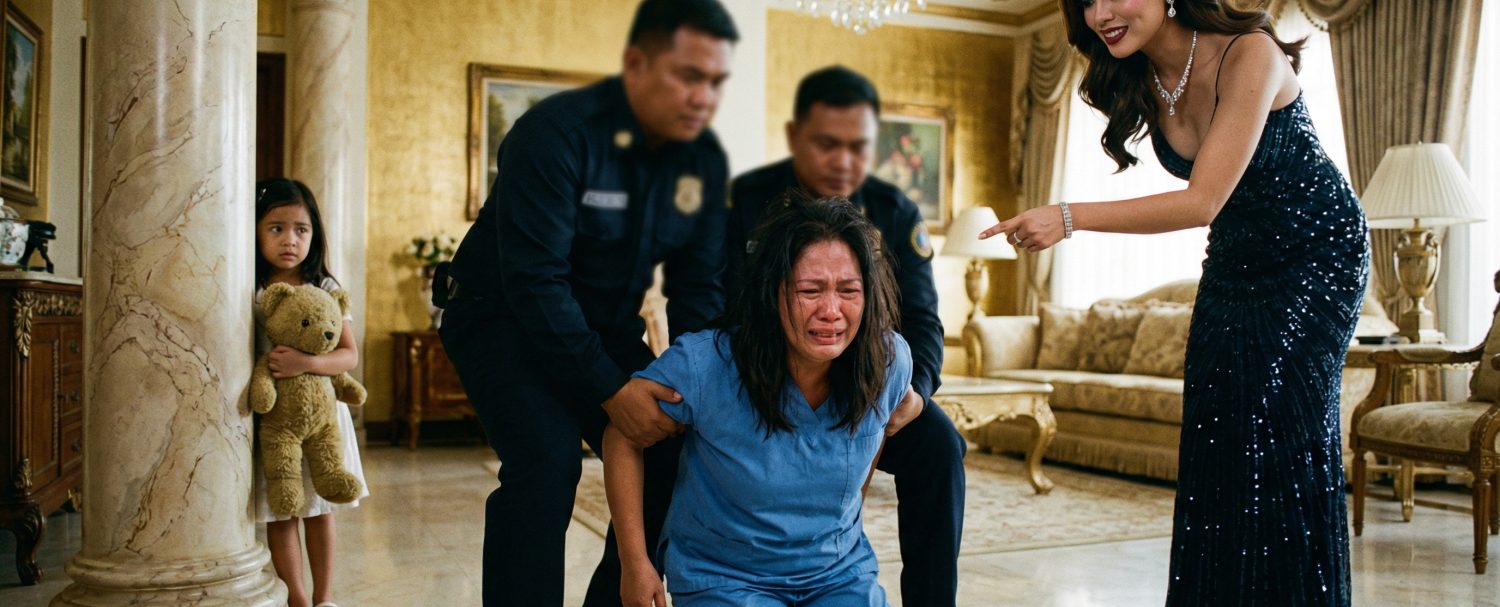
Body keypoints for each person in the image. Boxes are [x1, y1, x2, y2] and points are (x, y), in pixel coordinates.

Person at [981, 1, 1367, 604]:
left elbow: (1202, 201)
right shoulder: (1138, 73)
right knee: (1215, 434)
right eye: (1087, 1)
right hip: (1234, 257)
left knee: (1280, 435)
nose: (1101, 13)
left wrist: (1067, 217)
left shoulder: (1250, 52)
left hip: (1315, 255)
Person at [437, 1, 737, 604]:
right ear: (638, 64)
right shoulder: (556, 133)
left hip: (602, 326)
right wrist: (610, 389)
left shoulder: (701, 163)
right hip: (499, 319)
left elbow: (698, 291)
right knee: (547, 463)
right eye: (688, 75)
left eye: (714, 81)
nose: (702, 97)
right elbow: (536, 282)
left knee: (671, 448)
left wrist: (697, 389)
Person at [605, 195, 923, 606]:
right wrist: (635, 563)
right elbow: (622, 436)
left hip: (838, 573)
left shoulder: (888, 361)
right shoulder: (707, 364)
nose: (831, 310)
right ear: (772, 292)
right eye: (810, 290)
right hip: (725, 577)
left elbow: (880, 427)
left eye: (849, 290)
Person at [726, 65, 965, 606]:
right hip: (764, 381)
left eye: (858, 147)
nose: (843, 161)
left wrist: (915, 392)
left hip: (863, 388)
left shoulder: (896, 212)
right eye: (827, 144)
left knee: (940, 445)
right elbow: (711, 306)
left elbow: (923, 320)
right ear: (795, 137)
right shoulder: (747, 199)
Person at [252, 177, 368, 607]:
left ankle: (324, 597)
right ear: (256, 231)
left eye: (301, 229)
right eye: (276, 228)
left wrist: (306, 363)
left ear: (314, 234)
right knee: (281, 509)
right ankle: (297, 599)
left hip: (322, 420)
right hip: (275, 421)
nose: (290, 240)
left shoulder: (325, 287)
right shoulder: (253, 288)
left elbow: (348, 355)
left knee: (320, 508)